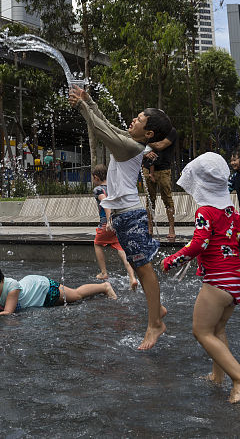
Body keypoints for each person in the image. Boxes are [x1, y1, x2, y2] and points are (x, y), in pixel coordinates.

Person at [162, 152, 240, 403]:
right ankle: (218, 376)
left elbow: (197, 245)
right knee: (217, 329)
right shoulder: (233, 213)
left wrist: (171, 260)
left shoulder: (205, 211)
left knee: (200, 332)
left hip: (218, 282)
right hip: (236, 282)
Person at [69, 85, 171, 350]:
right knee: (140, 267)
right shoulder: (130, 142)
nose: (133, 119)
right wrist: (89, 101)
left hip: (130, 217)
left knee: (145, 270)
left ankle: (155, 324)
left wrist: (81, 106)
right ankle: (156, 306)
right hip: (126, 218)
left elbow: (101, 130)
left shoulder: (128, 146)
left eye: (139, 119)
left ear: (147, 133)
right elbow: (106, 125)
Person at [0, 256, 115, 320]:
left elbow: (8, 313)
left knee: (76, 296)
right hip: (33, 294)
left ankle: (104, 287)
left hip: (42, 289)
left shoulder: (11, 287)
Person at [91, 165, 138, 290]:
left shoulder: (98, 189)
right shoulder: (114, 187)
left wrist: (109, 220)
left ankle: (104, 273)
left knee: (97, 244)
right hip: (120, 223)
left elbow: (105, 202)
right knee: (122, 249)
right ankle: (132, 277)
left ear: (96, 177)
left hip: (106, 224)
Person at [142, 125, 179, 241]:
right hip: (148, 168)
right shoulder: (149, 131)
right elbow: (137, 147)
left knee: (167, 199)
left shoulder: (171, 131)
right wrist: (144, 154)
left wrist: (146, 139)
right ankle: (150, 228)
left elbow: (161, 145)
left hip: (164, 168)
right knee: (149, 200)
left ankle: (171, 228)